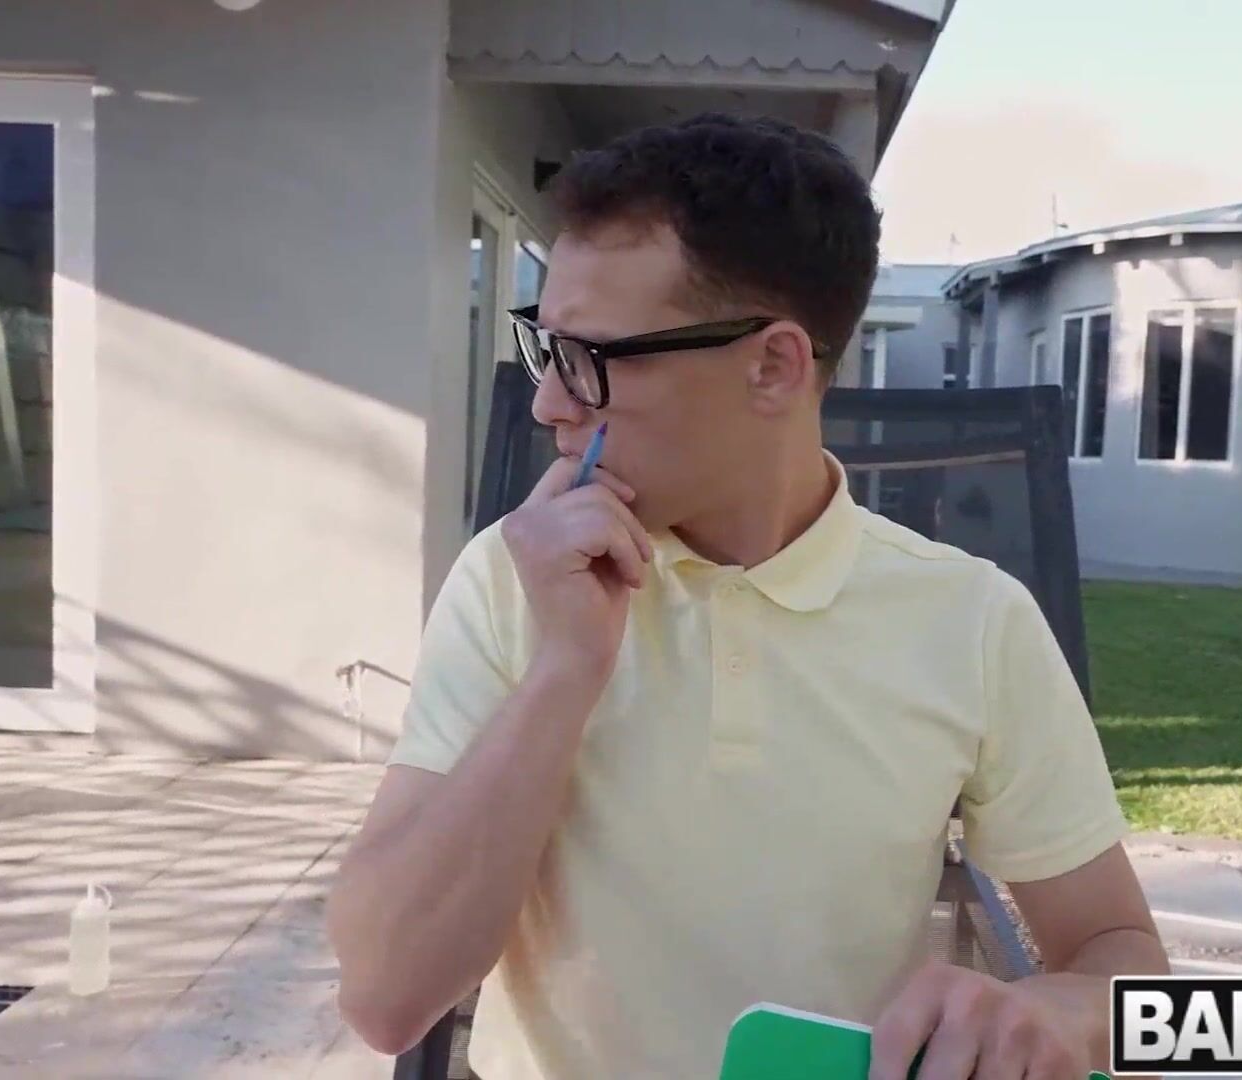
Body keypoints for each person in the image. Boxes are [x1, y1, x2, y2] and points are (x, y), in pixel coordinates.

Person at [325, 113, 1168, 1080]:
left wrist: (1055, 1013)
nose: (549, 402)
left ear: (773, 366)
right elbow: (384, 999)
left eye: (590, 360)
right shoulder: (510, 581)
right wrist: (564, 666)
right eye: (544, 348)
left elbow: (1119, 955)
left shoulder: (971, 622)